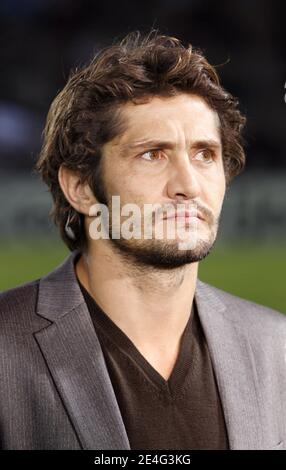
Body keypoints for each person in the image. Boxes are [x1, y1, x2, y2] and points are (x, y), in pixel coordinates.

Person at [0, 31, 285, 451]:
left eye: (205, 154)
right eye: (152, 154)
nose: (188, 185)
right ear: (80, 186)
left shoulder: (275, 345)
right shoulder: (6, 347)